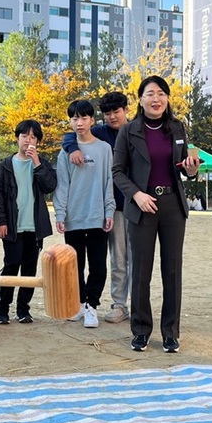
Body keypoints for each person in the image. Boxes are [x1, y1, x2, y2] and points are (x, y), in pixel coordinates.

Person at [112, 75, 200, 353]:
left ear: (167, 99)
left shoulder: (177, 127)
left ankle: (170, 333)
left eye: (161, 93)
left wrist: (191, 169)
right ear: (140, 99)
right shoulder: (129, 131)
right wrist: (136, 195)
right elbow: (117, 172)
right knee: (141, 270)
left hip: (173, 205)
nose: (156, 99)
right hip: (142, 206)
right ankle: (140, 330)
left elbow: (185, 168)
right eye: (150, 93)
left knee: (172, 270)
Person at [61, 90, 132, 323]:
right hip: (113, 207)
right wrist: (72, 148)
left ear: (126, 110)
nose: (112, 117)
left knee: (138, 260)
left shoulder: (138, 131)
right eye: (107, 113)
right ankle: (118, 305)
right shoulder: (101, 134)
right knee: (117, 260)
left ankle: (138, 306)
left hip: (139, 204)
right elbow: (72, 135)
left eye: (116, 111)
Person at [54, 99, 115, 329]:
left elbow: (108, 181)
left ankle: (92, 305)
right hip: (74, 217)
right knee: (75, 266)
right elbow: (62, 185)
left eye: (83, 118)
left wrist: (109, 210)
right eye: (74, 118)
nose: (79, 123)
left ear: (92, 120)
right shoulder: (66, 152)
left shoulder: (104, 149)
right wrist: (60, 215)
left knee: (98, 265)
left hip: (97, 216)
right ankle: (79, 304)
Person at [0, 120, 57, 324]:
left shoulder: (42, 163)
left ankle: (23, 309)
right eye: (24, 136)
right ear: (17, 138)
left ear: (37, 141)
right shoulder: (5, 165)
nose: (28, 140)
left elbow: (50, 186)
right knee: (11, 265)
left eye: (33, 137)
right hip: (13, 226)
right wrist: (0, 222)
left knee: (29, 269)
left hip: (34, 226)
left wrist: (37, 163)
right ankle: (2, 309)